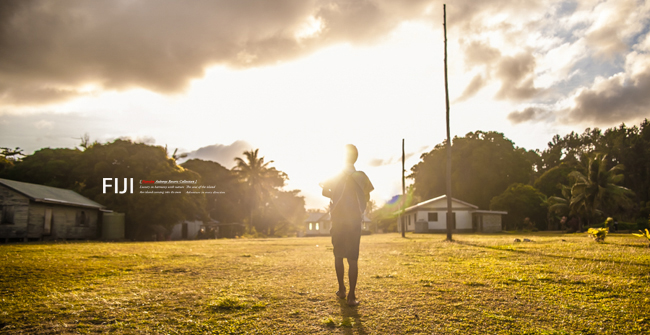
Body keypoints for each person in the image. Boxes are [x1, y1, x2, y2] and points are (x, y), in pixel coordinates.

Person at [321, 144, 374, 307]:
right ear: (356, 158)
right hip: (354, 221)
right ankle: (351, 296)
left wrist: (336, 193)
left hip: (337, 219)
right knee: (353, 259)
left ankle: (341, 289)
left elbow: (324, 191)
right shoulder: (362, 176)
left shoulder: (335, 175)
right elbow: (367, 196)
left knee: (338, 255)